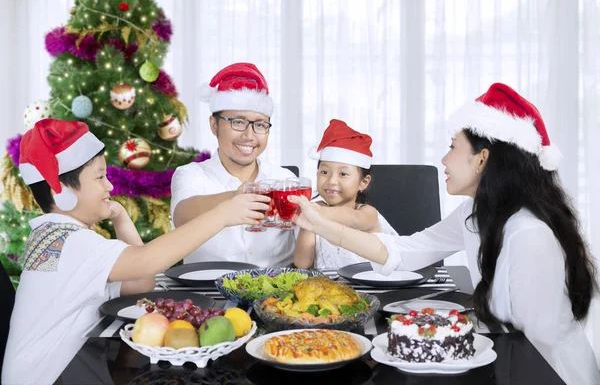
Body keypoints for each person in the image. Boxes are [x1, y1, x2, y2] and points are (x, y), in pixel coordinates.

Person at [289, 83, 599, 384]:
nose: (443, 159)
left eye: (452, 147)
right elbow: (407, 251)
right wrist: (321, 226)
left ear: (482, 159)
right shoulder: (474, 212)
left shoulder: (529, 235)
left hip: (548, 373)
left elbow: (532, 345)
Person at [2, 119, 269, 384]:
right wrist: (221, 215)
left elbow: (141, 282)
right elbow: (147, 262)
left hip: (65, 368)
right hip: (52, 377)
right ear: (60, 191)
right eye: (99, 177)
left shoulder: (56, 235)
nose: (109, 186)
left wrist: (120, 217)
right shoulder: (69, 242)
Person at [170, 62, 296, 266]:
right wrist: (235, 197)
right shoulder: (191, 174)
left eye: (260, 125)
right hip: (208, 291)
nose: (249, 135)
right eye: (238, 122)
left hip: (278, 293)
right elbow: (182, 216)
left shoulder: (286, 180)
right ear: (214, 125)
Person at [294, 119, 397, 270]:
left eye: (343, 174)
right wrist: (308, 223)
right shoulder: (315, 211)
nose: (331, 180)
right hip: (329, 290)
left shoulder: (367, 213)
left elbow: (355, 219)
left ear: (363, 182)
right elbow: (302, 263)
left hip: (372, 288)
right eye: (324, 172)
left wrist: (314, 212)